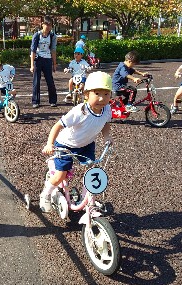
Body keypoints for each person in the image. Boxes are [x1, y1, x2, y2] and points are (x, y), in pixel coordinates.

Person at [39, 71, 113, 212]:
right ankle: (46, 193)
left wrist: (107, 136)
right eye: (97, 94)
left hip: (86, 145)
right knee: (61, 175)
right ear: (86, 95)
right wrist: (49, 144)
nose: (102, 98)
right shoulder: (80, 111)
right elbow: (58, 125)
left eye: (106, 94)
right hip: (66, 146)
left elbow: (105, 123)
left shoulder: (107, 109)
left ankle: (88, 200)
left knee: (92, 173)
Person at [30, 16, 58, 108]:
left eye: (50, 25)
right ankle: (35, 101)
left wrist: (54, 64)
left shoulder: (53, 36)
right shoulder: (37, 35)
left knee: (50, 80)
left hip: (48, 59)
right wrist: (32, 65)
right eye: (46, 24)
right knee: (36, 81)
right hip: (38, 59)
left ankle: (53, 100)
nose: (48, 27)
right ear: (42, 25)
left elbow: (53, 50)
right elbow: (33, 51)